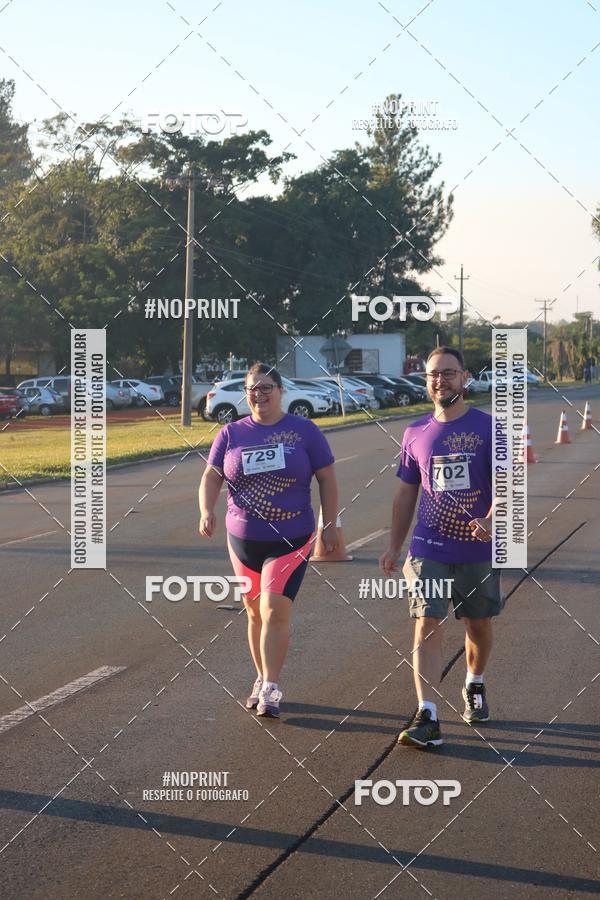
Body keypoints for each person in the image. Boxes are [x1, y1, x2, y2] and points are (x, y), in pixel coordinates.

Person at [379, 347, 503, 748]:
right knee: (426, 622)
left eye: (448, 373)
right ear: (426, 380)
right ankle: (427, 715)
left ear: (464, 378)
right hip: (428, 546)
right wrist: (395, 546)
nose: (440, 380)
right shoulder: (415, 432)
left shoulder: (490, 428)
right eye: (433, 374)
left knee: (478, 625)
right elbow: (405, 493)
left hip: (477, 549)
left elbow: (508, 487)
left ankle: (474, 681)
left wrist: (491, 519)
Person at [199, 364, 339, 719]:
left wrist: (331, 524)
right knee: (253, 612)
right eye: (252, 390)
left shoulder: (304, 431)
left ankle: (272, 687)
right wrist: (206, 510)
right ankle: (260, 678)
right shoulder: (231, 433)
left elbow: (327, 479)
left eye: (266, 388)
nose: (259, 395)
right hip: (242, 537)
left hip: (291, 536)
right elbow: (211, 477)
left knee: (274, 607)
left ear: (280, 391)